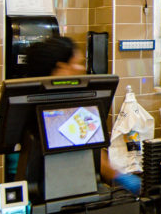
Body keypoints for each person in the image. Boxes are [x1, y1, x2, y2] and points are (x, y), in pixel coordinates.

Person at [10, 36, 140, 194]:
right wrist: (117, 176)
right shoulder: (34, 109)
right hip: (34, 193)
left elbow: (92, 150)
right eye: (77, 63)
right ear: (62, 68)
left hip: (75, 193)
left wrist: (118, 176)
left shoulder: (77, 105)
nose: (82, 69)